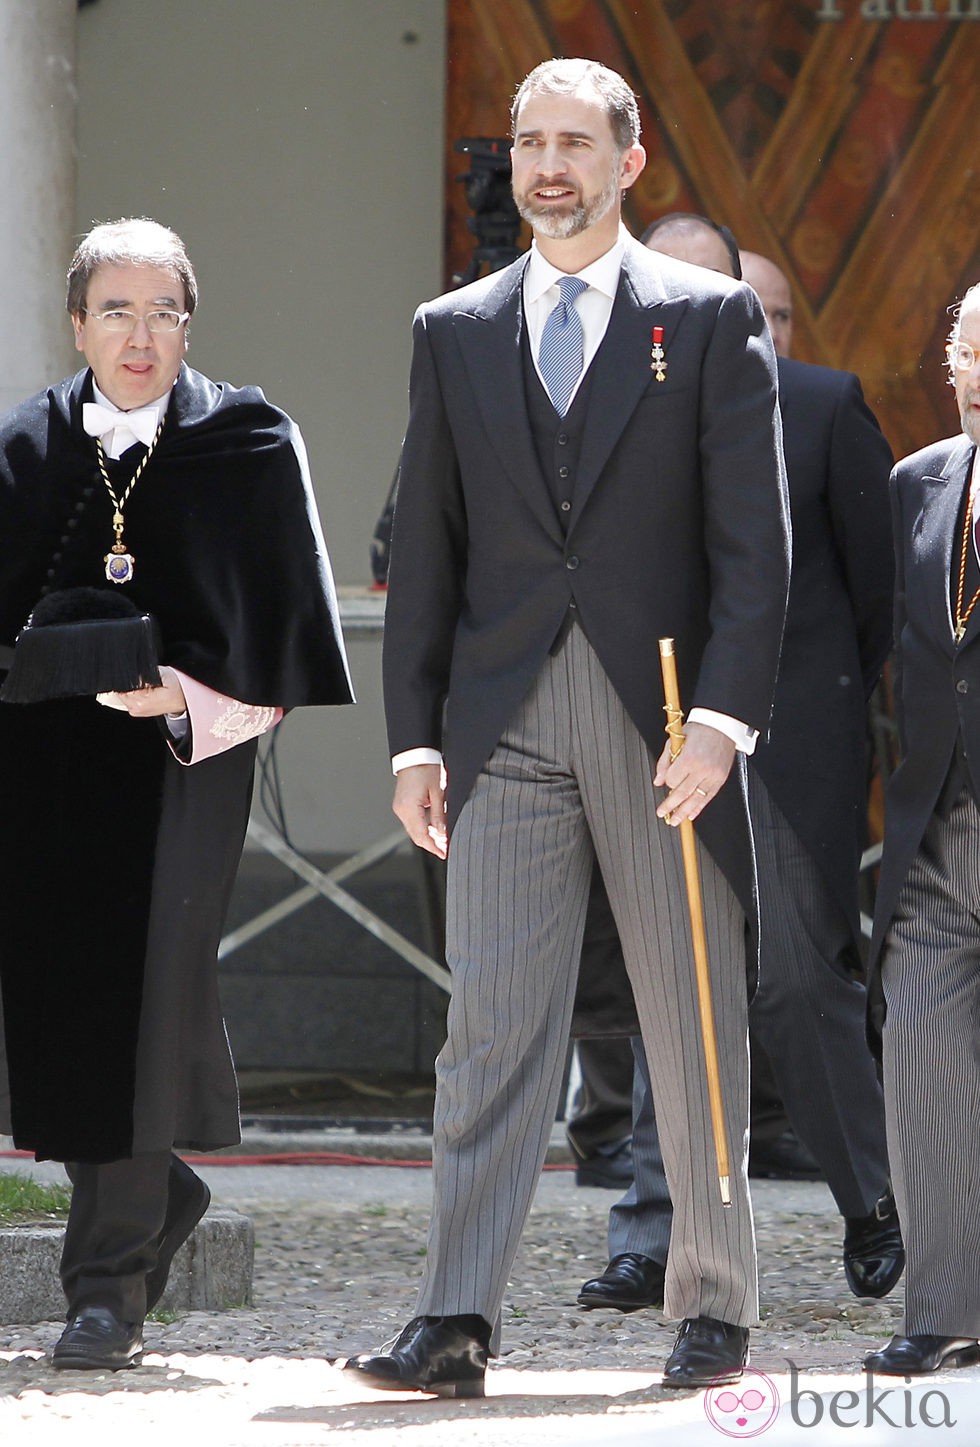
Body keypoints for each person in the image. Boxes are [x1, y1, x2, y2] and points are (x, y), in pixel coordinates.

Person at [339, 59, 790, 1395]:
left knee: (691, 1016)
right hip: (501, 717)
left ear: (628, 162)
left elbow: (752, 552)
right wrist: (413, 736)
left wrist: (721, 722)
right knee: (490, 1022)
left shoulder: (707, 319)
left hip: (663, 720)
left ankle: (709, 1299)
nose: (548, 166)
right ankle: (456, 1313)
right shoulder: (454, 327)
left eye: (575, 144)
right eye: (530, 142)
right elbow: (426, 546)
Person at [0, 218, 353, 1371]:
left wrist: (183, 698)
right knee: (57, 1012)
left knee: (143, 1007)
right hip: (43, 774)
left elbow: (285, 646)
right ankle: (165, 1187)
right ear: (77, 322)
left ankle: (105, 1289)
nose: (139, 336)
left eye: (162, 312)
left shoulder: (247, 442)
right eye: (116, 310)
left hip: (180, 771)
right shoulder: (24, 445)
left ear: (188, 320)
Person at [578, 221, 902, 1316]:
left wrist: (806, 713)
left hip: (786, 746)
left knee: (796, 982)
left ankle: (870, 1202)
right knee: (666, 980)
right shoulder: (610, 405)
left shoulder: (818, 404)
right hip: (652, 735)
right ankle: (648, 1236)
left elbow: (874, 600)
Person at [863, 283, 980, 1376]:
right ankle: (942, 1309)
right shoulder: (915, 485)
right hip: (936, 825)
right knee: (921, 1047)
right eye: (970, 349)